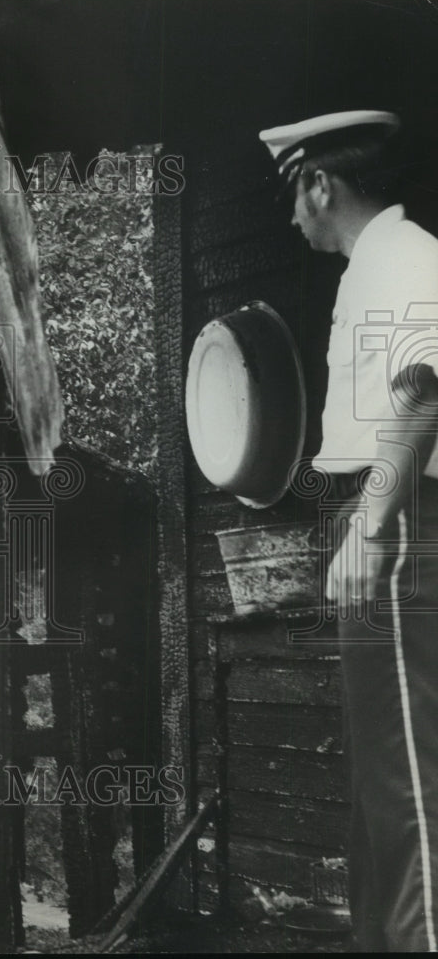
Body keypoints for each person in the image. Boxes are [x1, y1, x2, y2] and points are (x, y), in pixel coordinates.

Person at [259, 109, 438, 952]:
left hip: (402, 524)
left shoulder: (402, 256)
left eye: (293, 194)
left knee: (406, 778)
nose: (292, 217)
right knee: (380, 778)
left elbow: (424, 387)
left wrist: (371, 526)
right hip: (386, 517)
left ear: (320, 183)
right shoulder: (372, 266)